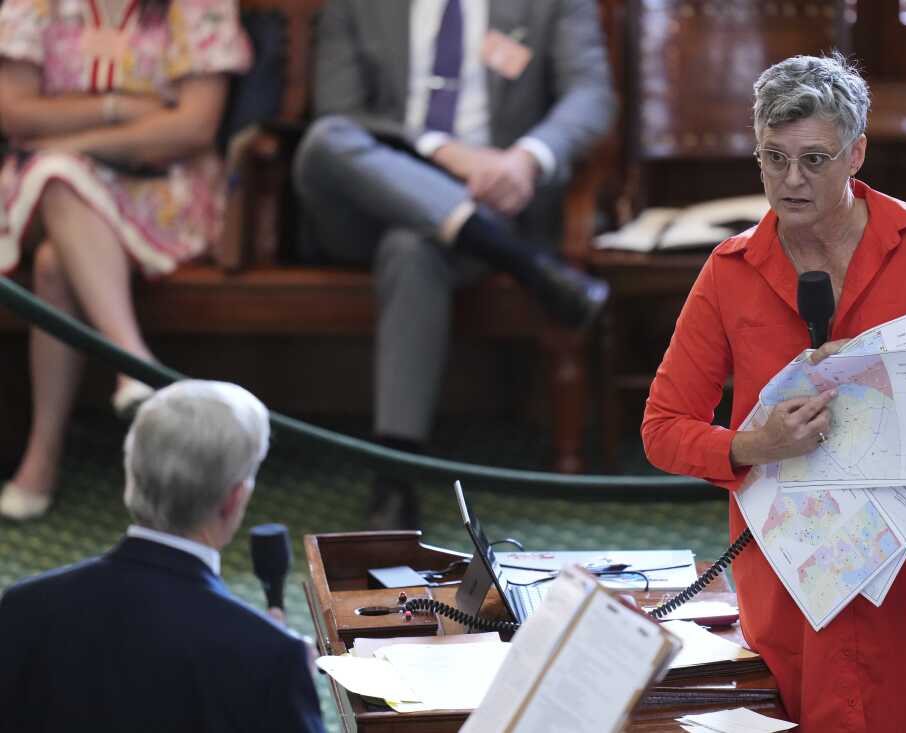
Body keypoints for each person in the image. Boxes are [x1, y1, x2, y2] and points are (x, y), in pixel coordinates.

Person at [641, 53, 906, 732]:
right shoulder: (730, 271)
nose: (790, 181)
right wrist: (750, 443)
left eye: (815, 159)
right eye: (773, 158)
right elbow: (663, 426)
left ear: (856, 153)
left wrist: (894, 377)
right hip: (805, 562)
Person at [293, 0, 616, 528]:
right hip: (368, 199)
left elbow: (592, 96)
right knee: (325, 139)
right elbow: (342, 112)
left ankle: (393, 476)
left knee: (413, 246)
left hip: (496, 199)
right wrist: (440, 150)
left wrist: (526, 159)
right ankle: (526, 265)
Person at [0, 0, 251, 520]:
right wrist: (124, 109)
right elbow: (12, 112)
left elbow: (194, 128)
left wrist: (67, 142)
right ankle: (136, 363)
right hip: (46, 185)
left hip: (162, 190)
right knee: (60, 181)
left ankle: (42, 457)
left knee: (53, 264)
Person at [0, 380, 325, 732]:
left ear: (132, 476)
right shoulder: (272, 658)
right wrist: (279, 670)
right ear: (234, 499)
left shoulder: (22, 607)